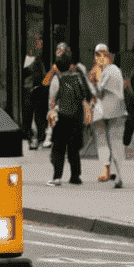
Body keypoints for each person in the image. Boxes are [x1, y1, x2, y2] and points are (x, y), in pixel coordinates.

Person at [47, 52, 90, 185]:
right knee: (74, 148)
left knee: (59, 148)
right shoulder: (78, 78)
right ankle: (75, 176)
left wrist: (51, 116)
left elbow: (52, 100)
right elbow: (86, 95)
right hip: (77, 117)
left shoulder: (57, 79)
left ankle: (57, 177)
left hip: (62, 117)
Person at [88, 44, 126, 187]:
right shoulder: (115, 70)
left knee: (102, 139)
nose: (99, 58)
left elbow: (97, 91)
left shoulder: (107, 71)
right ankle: (116, 173)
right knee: (114, 141)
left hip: (104, 109)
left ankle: (109, 172)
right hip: (117, 109)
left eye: (101, 55)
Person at [22, 36, 47, 150]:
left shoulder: (39, 60)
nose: (40, 47)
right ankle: (31, 139)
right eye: (38, 44)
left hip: (36, 92)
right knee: (28, 117)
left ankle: (37, 139)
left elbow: (43, 77)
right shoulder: (25, 59)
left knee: (37, 117)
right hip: (27, 92)